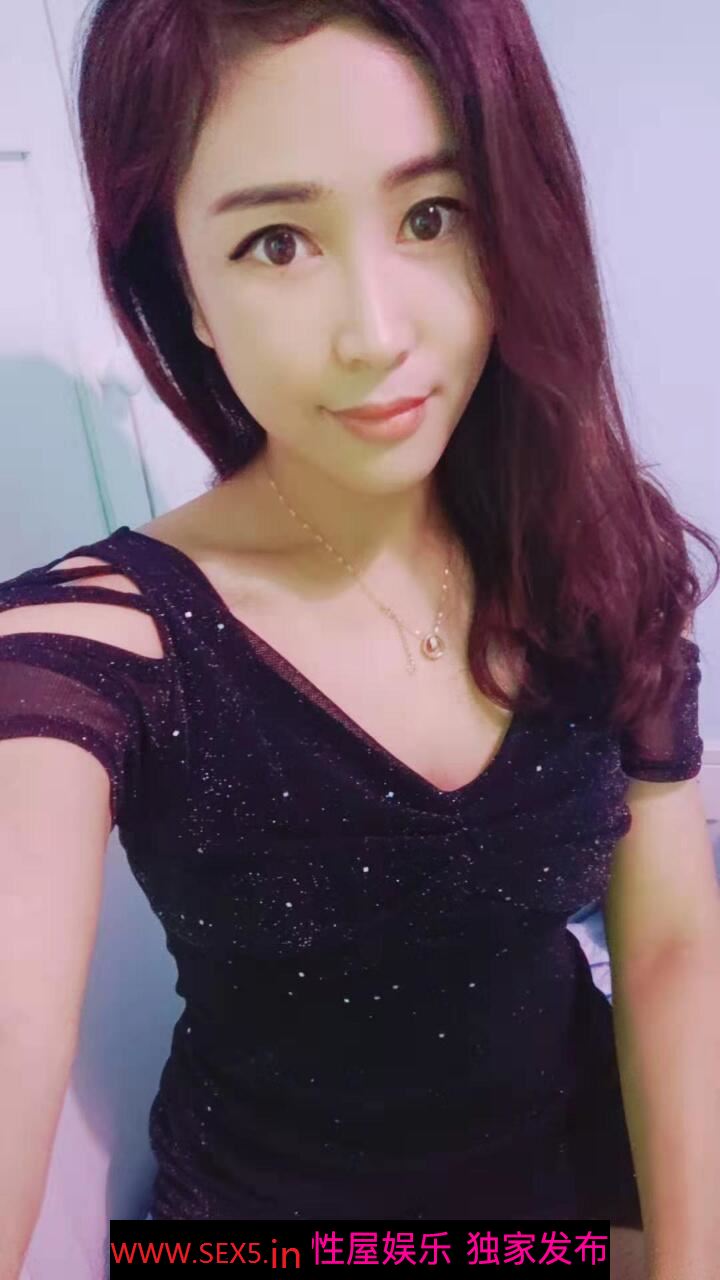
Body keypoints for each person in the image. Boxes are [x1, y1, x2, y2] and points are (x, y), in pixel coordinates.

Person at [1, 2, 719, 1277]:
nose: (376, 333)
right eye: (277, 242)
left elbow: (668, 940)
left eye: (433, 215)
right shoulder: (89, 647)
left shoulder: (598, 555)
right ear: (185, 290)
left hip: (581, 1201)